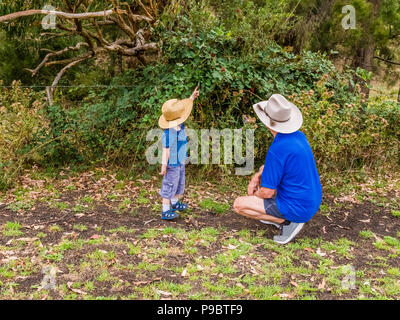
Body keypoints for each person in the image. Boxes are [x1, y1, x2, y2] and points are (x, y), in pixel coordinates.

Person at [233, 94, 322, 244]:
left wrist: (255, 196)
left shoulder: (278, 149)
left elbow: (267, 193)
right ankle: (279, 216)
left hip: (297, 206)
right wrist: (257, 175)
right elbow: (273, 167)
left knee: (239, 204)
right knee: (263, 174)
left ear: (268, 123)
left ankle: (286, 222)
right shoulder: (299, 136)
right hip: (311, 200)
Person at [158, 86, 200, 220]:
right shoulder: (168, 133)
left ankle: (175, 203)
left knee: (179, 182)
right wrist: (164, 165)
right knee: (169, 185)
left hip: (180, 161)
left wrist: (192, 97)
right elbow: (166, 150)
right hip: (172, 164)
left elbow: (185, 107)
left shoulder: (180, 124)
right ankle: (165, 211)